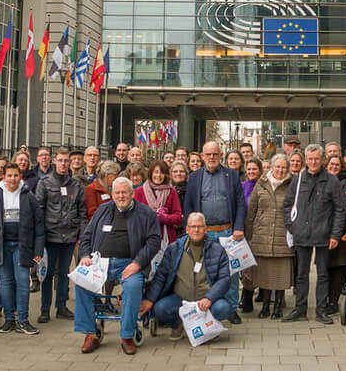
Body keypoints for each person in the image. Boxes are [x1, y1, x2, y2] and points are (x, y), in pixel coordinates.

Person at [75, 178, 160, 355]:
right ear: (112, 195)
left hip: (128, 264)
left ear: (132, 193)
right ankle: (90, 334)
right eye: (117, 193)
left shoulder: (145, 213)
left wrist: (137, 263)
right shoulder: (102, 210)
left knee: (133, 285)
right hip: (100, 264)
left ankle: (127, 336)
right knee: (81, 282)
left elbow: (153, 242)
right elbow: (87, 236)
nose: (121, 196)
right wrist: (84, 256)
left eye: (124, 192)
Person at [139, 212, 232, 341]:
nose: (196, 230)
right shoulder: (174, 249)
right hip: (181, 298)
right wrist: (150, 299)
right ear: (187, 229)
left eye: (200, 226)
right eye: (193, 226)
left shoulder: (217, 249)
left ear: (205, 229)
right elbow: (161, 276)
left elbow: (224, 278)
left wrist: (209, 298)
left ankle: (210, 326)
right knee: (160, 308)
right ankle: (178, 325)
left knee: (224, 308)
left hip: (206, 298)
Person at [183, 140, 247, 324]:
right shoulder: (194, 177)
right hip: (203, 234)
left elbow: (241, 203)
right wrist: (190, 230)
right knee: (203, 271)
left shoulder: (231, 176)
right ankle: (205, 307)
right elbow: (189, 205)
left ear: (220, 155)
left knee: (231, 271)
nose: (212, 157)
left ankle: (232, 308)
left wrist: (239, 227)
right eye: (208, 154)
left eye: (215, 154)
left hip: (228, 231)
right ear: (202, 156)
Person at [281, 144, 346, 324]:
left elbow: (340, 209)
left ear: (323, 159)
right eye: (310, 159)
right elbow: (287, 205)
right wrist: (293, 227)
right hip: (302, 234)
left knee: (323, 274)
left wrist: (335, 235)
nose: (313, 162)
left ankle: (321, 310)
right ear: (306, 160)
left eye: (316, 159)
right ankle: (300, 309)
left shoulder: (332, 180)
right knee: (301, 274)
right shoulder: (299, 178)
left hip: (324, 234)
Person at [0, 163, 44, 335]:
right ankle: (9, 319)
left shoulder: (28, 196)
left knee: (23, 281)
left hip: (22, 246)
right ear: (4, 177)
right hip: (1, 246)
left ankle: (23, 320)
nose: (12, 179)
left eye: (15, 175)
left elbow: (39, 224)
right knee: (6, 282)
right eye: (9, 175)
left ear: (20, 177)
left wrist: (38, 250)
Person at [35, 148, 86, 323]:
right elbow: (39, 210)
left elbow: (82, 212)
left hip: (70, 235)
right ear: (54, 161)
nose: (64, 164)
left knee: (64, 273)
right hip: (50, 236)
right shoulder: (45, 183)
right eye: (61, 160)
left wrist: (82, 234)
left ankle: (61, 306)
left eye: (67, 161)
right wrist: (40, 236)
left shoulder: (76, 185)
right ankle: (44, 309)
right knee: (48, 274)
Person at [245, 154, 293, 319]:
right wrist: (249, 234)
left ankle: (278, 306)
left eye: (283, 167)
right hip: (262, 235)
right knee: (264, 275)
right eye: (277, 167)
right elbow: (252, 210)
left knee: (281, 275)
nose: (280, 170)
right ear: (271, 167)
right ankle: (265, 307)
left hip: (283, 236)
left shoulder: (292, 184)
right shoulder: (262, 183)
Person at [324, 154, 346, 316]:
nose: (334, 167)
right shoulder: (322, 181)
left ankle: (334, 302)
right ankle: (326, 300)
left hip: (342, 233)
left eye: (337, 165)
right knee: (325, 269)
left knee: (338, 269)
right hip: (323, 232)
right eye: (331, 164)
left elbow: (344, 207)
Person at [135, 160, 183, 243]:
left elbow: (178, 217)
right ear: (151, 173)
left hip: (166, 238)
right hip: (145, 237)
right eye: (156, 172)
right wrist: (152, 216)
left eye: (162, 173)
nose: (158, 175)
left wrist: (164, 218)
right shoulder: (140, 191)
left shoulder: (171, 191)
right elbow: (135, 216)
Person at [239, 157, 264, 313]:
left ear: (260, 170)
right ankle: (246, 297)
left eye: (254, 169)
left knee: (259, 266)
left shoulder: (263, 186)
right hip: (244, 232)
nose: (251, 172)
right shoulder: (241, 186)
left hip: (260, 231)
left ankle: (261, 295)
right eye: (249, 169)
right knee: (246, 266)